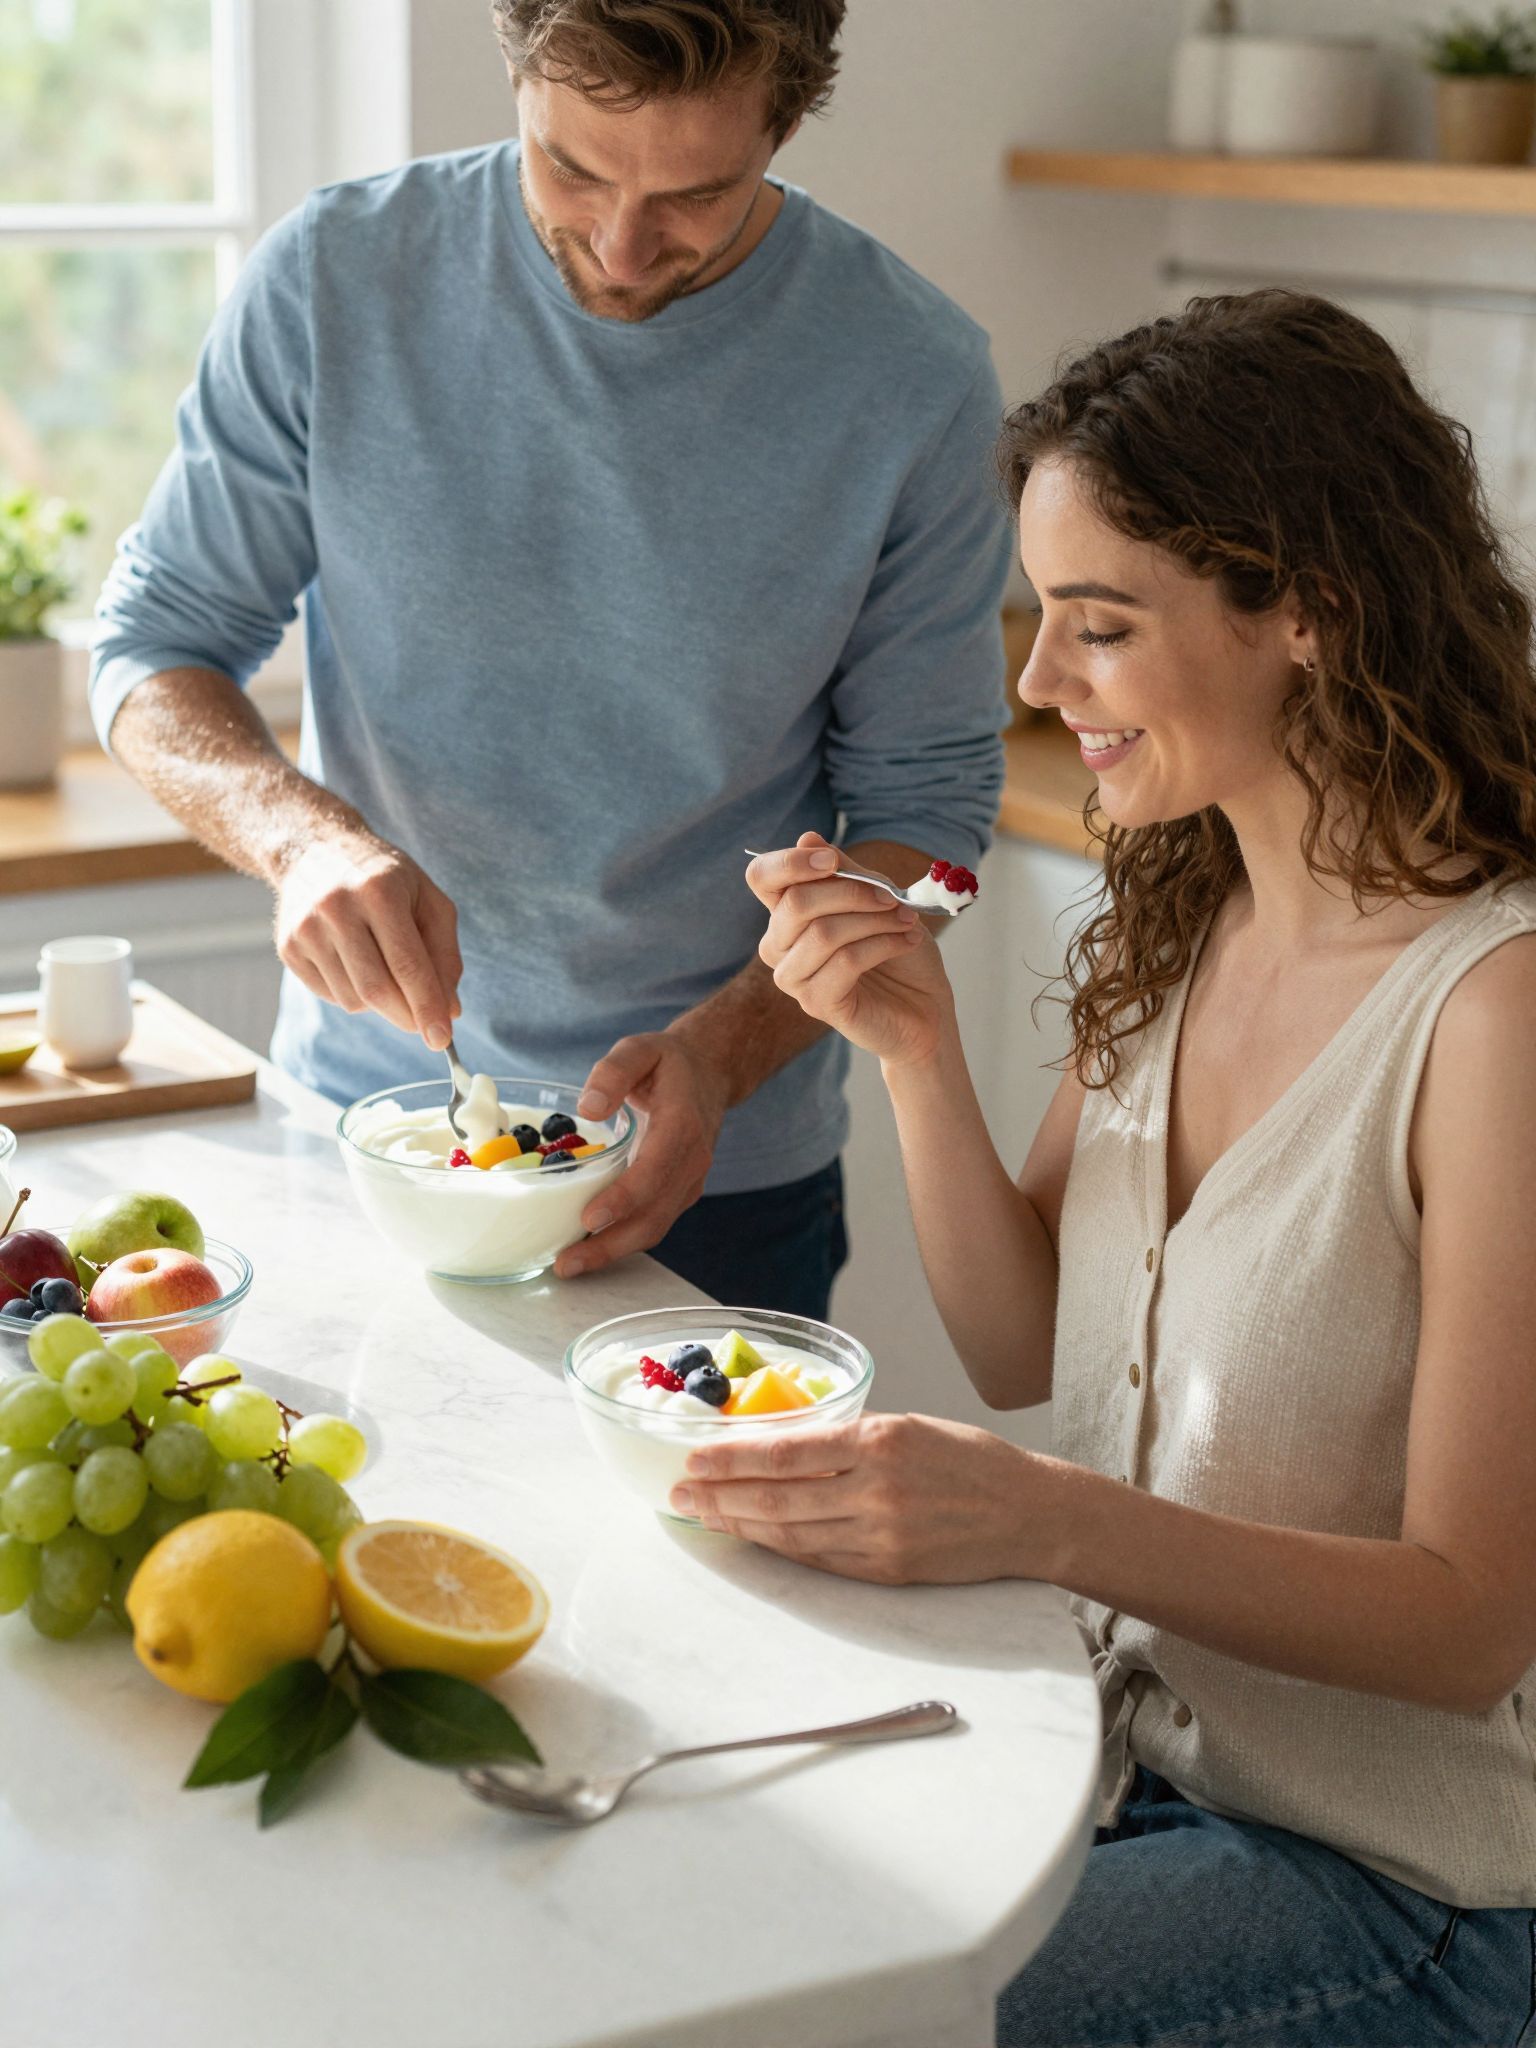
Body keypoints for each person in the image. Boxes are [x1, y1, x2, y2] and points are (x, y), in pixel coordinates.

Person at [671, 291, 1536, 2044]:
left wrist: (1038, 1517)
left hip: (1397, 1889)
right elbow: (1022, 1347)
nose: (1039, 682)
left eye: (1098, 628)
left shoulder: (1493, 1014)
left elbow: (1470, 1625)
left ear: (1308, 612)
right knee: (706, 1928)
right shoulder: (1191, 919)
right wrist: (912, 1047)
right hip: (1113, 1774)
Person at [90, 0, 1010, 1319]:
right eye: (573, 167)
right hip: (371, 1133)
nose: (624, 247)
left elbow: (935, 830)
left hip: (721, 1183)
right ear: (515, 70)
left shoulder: (915, 378)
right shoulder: (335, 278)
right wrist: (302, 845)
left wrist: (724, 1053)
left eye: (696, 194)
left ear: (789, 121)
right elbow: (153, 646)